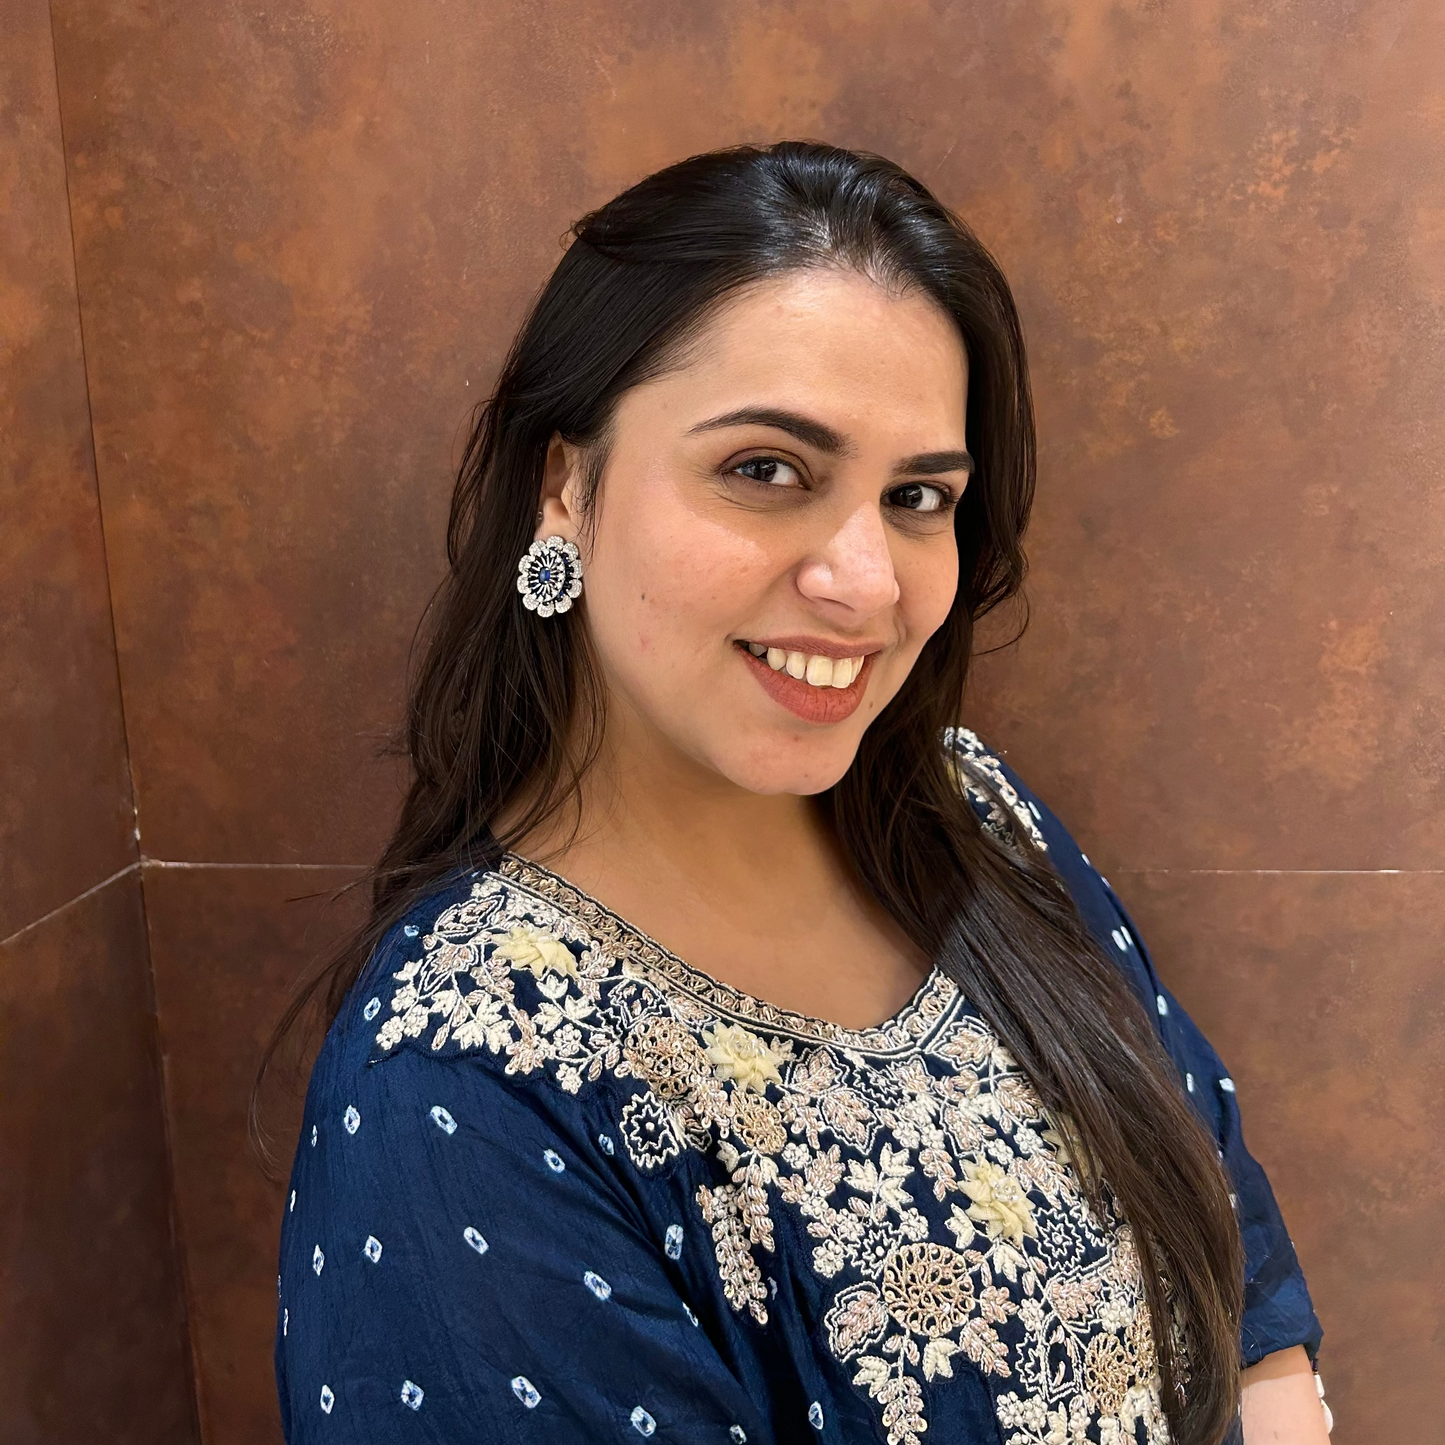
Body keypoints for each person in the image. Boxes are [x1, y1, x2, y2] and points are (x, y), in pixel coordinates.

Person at [268, 142, 1330, 1445]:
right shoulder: (460, 1101)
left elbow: (1229, 1236)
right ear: (566, 486)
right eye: (767, 470)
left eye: (918, 496)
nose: (868, 582)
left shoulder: (962, 814)